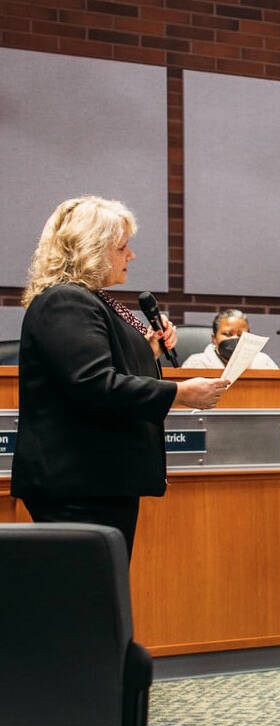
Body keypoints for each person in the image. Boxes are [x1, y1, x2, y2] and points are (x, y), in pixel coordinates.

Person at [11, 196, 230, 558]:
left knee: (96, 596)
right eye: (122, 247)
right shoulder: (66, 301)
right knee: (84, 599)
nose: (131, 256)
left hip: (97, 480)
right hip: (78, 484)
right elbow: (95, 385)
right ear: (92, 249)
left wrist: (148, 351)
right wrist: (179, 393)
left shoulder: (88, 300)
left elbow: (104, 369)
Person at [180, 308, 279, 368]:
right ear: (214, 339)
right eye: (227, 334)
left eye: (241, 335)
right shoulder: (197, 363)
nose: (235, 338)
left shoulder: (263, 361)